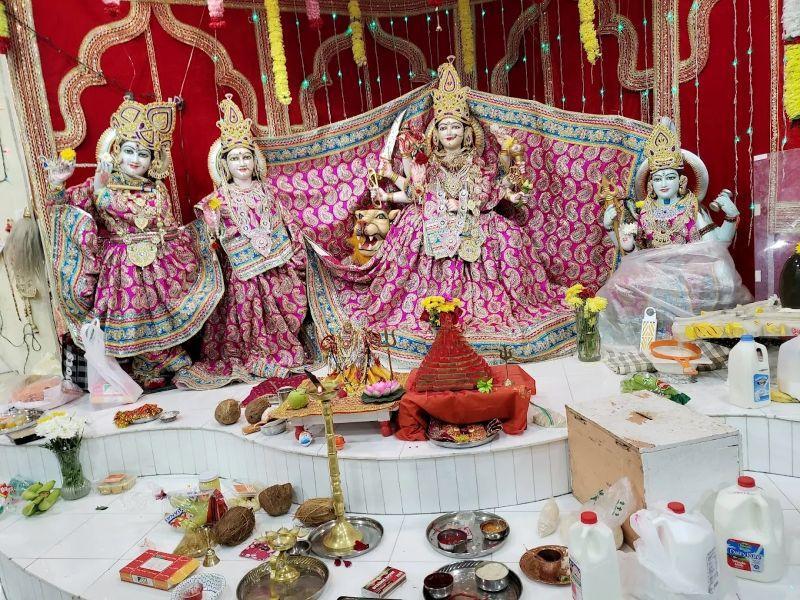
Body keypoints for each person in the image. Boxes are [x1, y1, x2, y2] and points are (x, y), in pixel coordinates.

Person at [306, 58, 573, 360]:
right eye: (443, 126)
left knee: (508, 237)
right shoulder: (425, 165)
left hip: (473, 220)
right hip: (431, 222)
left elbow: (489, 194)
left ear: (467, 132)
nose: (449, 132)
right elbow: (414, 194)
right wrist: (387, 195)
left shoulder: (479, 165)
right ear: (435, 132)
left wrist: (505, 192)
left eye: (455, 127)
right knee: (410, 237)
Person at [45, 98, 223, 387]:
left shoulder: (157, 188)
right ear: (116, 153)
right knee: (131, 314)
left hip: (158, 264)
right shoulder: (99, 182)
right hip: (120, 268)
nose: (135, 159)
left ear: (154, 160)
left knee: (162, 310)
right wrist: (59, 184)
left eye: (143, 153)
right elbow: (64, 212)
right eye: (129, 150)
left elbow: (168, 227)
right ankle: (140, 362)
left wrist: (203, 233)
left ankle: (164, 356)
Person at [174, 95, 307, 390]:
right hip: (242, 272)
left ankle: (278, 349)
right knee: (244, 307)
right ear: (225, 164)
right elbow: (209, 232)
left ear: (254, 160)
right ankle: (250, 354)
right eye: (234, 158)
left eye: (246, 156)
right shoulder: (219, 198)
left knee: (285, 303)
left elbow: (285, 222)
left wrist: (293, 256)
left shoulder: (268, 191)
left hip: (274, 266)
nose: (242, 163)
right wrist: (212, 223)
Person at [598, 119, 751, 347]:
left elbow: (717, 246)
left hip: (690, 268)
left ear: (681, 180)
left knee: (714, 277)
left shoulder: (692, 207)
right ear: (650, 185)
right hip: (653, 269)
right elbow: (634, 253)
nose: (663, 184)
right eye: (657, 178)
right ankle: (648, 339)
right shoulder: (646, 211)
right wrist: (614, 230)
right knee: (619, 284)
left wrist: (730, 217)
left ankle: (694, 339)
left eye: (669, 177)